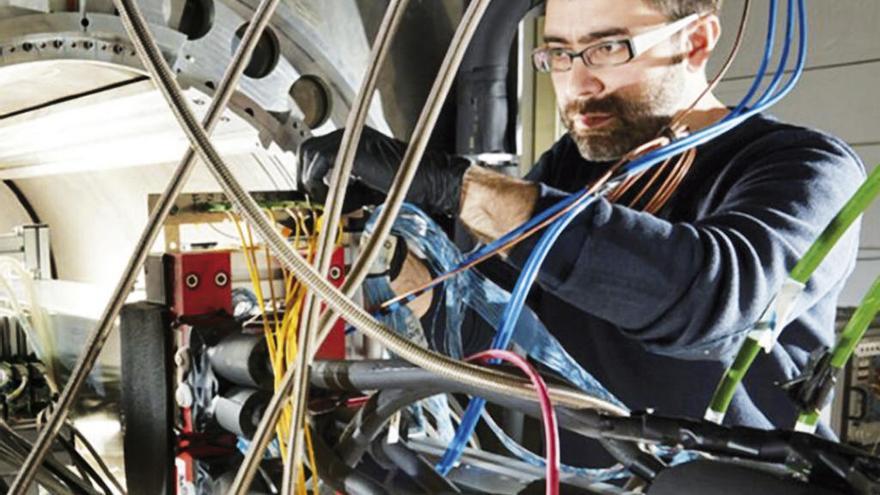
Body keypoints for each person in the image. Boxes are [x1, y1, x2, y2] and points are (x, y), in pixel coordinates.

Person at [299, 0, 865, 466]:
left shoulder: (806, 169)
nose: (578, 82)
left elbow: (709, 301)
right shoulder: (576, 168)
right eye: (560, 55)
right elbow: (487, 323)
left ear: (697, 41)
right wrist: (387, 251)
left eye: (607, 48)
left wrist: (460, 187)